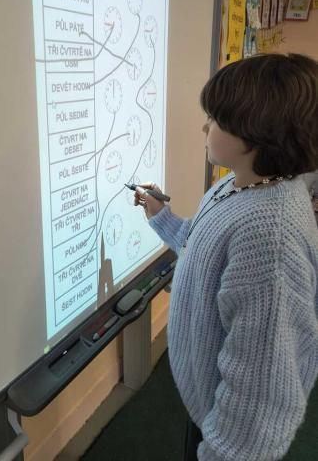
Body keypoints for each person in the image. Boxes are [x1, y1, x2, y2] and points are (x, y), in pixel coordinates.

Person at [134, 53, 318, 460]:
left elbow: (261, 392)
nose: (205, 126)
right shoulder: (235, 186)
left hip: (228, 433)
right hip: (207, 400)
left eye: (216, 119)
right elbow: (202, 251)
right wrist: (161, 216)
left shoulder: (269, 238)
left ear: (256, 134)